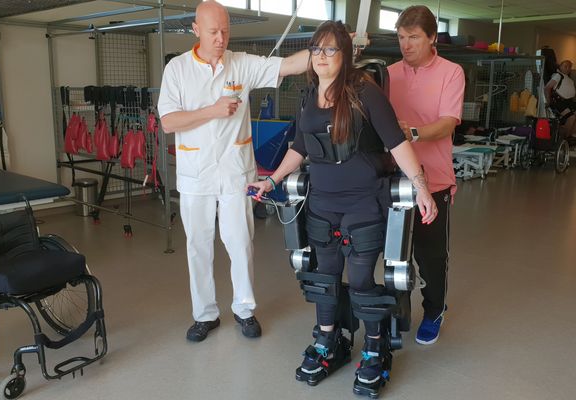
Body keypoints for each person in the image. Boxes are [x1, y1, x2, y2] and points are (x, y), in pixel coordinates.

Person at [248, 20, 437, 394]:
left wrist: (422, 189)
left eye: (330, 50)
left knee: (364, 281)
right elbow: (299, 147)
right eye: (316, 49)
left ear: (345, 55)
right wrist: (271, 180)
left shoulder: (364, 93)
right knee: (325, 278)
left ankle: (374, 348)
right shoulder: (307, 98)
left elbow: (397, 143)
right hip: (322, 203)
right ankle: (328, 341)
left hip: (364, 202)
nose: (321, 57)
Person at [157, 0, 309, 342]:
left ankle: (244, 309)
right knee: (198, 244)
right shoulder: (178, 70)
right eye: (213, 32)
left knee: (240, 242)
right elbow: (168, 122)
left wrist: (330, 48)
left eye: (225, 30)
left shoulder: (241, 64)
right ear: (195, 30)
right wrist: (212, 110)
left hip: (236, 173)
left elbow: (287, 66)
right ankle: (205, 314)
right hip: (196, 174)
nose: (220, 38)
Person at [387, 5, 465, 345]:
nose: (406, 45)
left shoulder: (451, 72)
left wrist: (413, 132)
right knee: (393, 253)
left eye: (414, 38)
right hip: (393, 179)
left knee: (430, 256)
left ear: (432, 38)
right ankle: (397, 314)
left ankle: (434, 310)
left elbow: (449, 122)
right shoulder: (387, 74)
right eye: (401, 38)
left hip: (434, 180)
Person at [544, 59, 576, 138]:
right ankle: (564, 138)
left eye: (569, 67)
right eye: (565, 66)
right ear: (560, 66)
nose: (567, 68)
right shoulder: (558, 75)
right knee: (571, 118)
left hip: (569, 102)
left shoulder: (569, 79)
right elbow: (547, 88)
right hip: (559, 101)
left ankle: (571, 135)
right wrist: (548, 100)